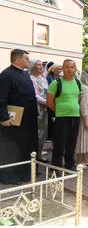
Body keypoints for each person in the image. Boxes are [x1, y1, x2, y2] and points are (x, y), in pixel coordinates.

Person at [0, 49, 38, 184]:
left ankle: (25, 173)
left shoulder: (25, 74)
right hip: (13, 121)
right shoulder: (6, 75)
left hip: (28, 119)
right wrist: (3, 118)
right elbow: (1, 98)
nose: (29, 61)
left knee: (27, 146)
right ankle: (9, 176)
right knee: (13, 148)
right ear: (18, 60)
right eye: (27, 59)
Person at [47, 59, 81, 171]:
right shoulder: (56, 83)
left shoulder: (77, 82)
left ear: (75, 69)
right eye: (67, 67)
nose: (70, 69)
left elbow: (79, 98)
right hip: (61, 118)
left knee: (72, 143)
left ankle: (69, 165)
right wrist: (59, 111)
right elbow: (49, 101)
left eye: (72, 67)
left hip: (75, 117)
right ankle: (56, 167)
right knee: (60, 144)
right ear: (63, 68)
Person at [28, 58, 49, 163]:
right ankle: (32, 156)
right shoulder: (31, 79)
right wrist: (48, 102)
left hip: (45, 110)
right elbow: (35, 96)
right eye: (38, 65)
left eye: (41, 65)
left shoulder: (43, 78)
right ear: (32, 66)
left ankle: (40, 155)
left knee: (43, 132)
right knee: (36, 133)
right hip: (37, 109)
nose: (41, 67)